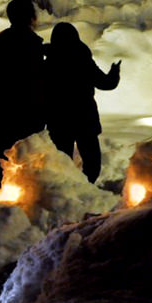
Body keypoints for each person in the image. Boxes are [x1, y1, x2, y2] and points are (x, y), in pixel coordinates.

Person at [0, 0, 46, 196]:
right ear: (30, 16)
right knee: (21, 157)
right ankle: (20, 199)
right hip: (22, 112)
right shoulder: (28, 42)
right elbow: (34, 81)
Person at [45, 22, 120, 183]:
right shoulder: (83, 60)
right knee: (92, 160)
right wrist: (114, 72)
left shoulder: (49, 62)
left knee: (62, 160)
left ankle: (66, 190)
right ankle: (87, 188)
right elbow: (106, 83)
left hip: (59, 119)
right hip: (85, 117)